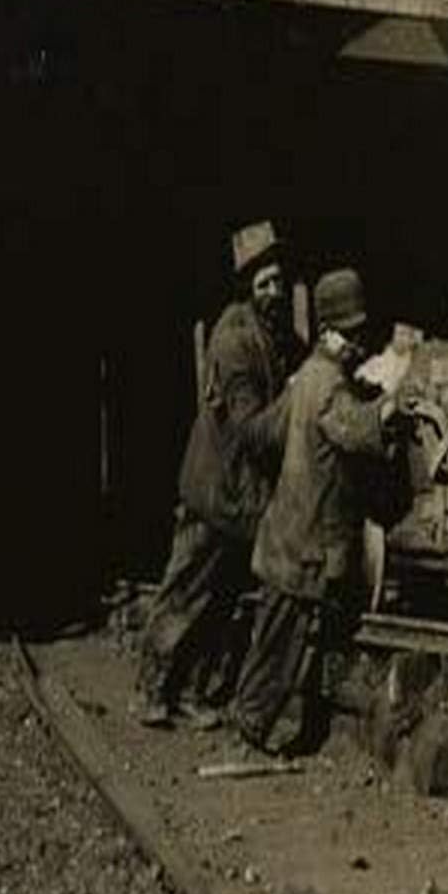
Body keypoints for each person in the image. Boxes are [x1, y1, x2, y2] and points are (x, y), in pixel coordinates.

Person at [223, 266, 405, 757]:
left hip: (285, 533)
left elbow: (271, 433)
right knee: (280, 644)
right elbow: (349, 428)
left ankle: (255, 724)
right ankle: (248, 733)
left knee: (277, 635)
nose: (357, 343)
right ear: (327, 330)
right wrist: (389, 406)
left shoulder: (305, 376)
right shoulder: (326, 384)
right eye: (350, 334)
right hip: (303, 542)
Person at [129, 221, 299, 727]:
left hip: (242, 497)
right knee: (184, 593)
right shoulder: (234, 340)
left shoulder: (273, 335)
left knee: (220, 600)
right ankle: (150, 690)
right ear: (248, 284)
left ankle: (191, 691)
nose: (276, 291)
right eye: (265, 282)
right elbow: (251, 429)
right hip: (214, 492)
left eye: (279, 281)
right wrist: (303, 400)